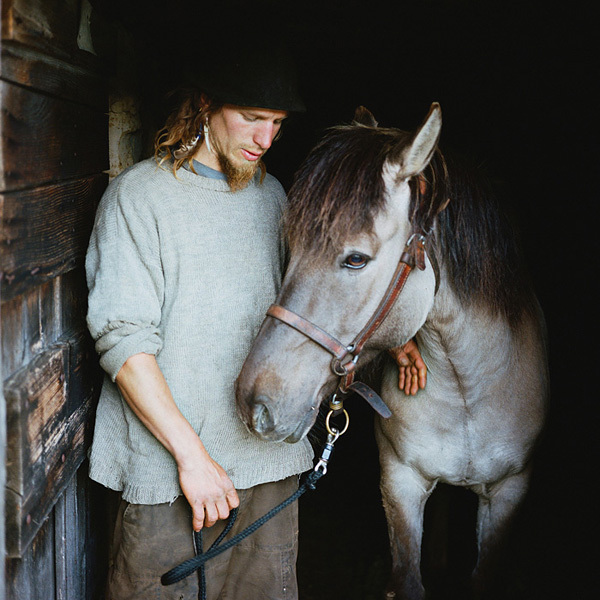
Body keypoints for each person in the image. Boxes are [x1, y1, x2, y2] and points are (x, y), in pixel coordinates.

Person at [85, 48, 426, 600]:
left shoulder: (275, 198)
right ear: (204, 105)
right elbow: (123, 343)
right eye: (251, 117)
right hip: (165, 474)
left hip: (266, 465)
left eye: (277, 124)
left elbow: (321, 301)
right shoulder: (139, 197)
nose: (266, 139)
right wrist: (193, 461)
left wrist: (390, 343)